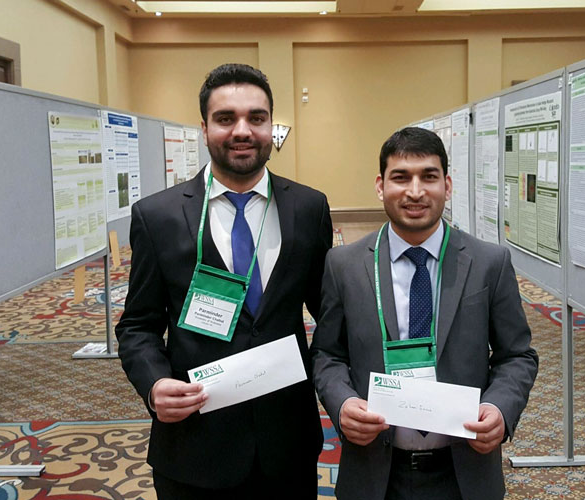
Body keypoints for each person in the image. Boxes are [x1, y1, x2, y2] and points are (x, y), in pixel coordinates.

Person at [116, 63, 332, 498]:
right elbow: (137, 326)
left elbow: (329, 312)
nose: (242, 130)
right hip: (196, 442)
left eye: (256, 117)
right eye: (225, 118)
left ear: (272, 127)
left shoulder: (308, 207)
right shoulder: (157, 216)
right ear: (204, 127)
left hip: (285, 439)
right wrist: (155, 383)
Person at [311, 127, 538, 500]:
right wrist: (343, 403)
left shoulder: (488, 263)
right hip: (375, 472)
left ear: (447, 186)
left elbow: (518, 355)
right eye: (401, 177)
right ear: (380, 186)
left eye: (428, 177)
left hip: (463, 469)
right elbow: (327, 354)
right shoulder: (344, 265)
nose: (415, 191)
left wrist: (499, 407)